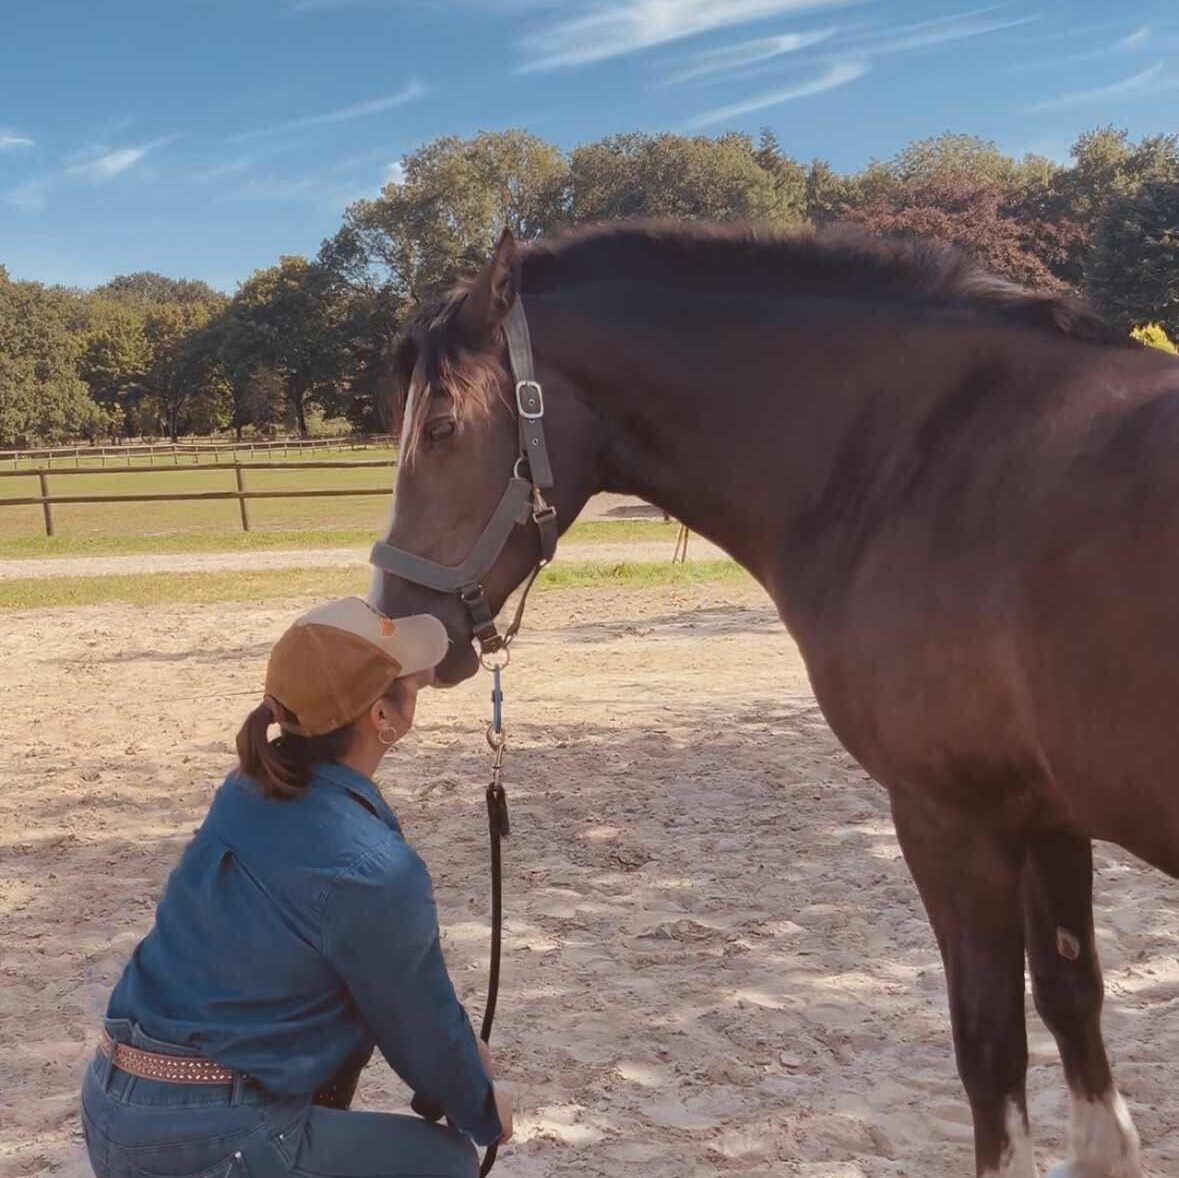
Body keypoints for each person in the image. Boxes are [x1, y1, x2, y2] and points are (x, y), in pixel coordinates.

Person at [79, 596, 512, 1178]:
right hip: (206, 1134)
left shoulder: (245, 788)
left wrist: (457, 1057)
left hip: (114, 1100)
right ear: (384, 719)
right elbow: (416, 1023)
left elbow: (404, 993)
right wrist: (483, 1108)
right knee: (444, 1162)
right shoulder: (373, 867)